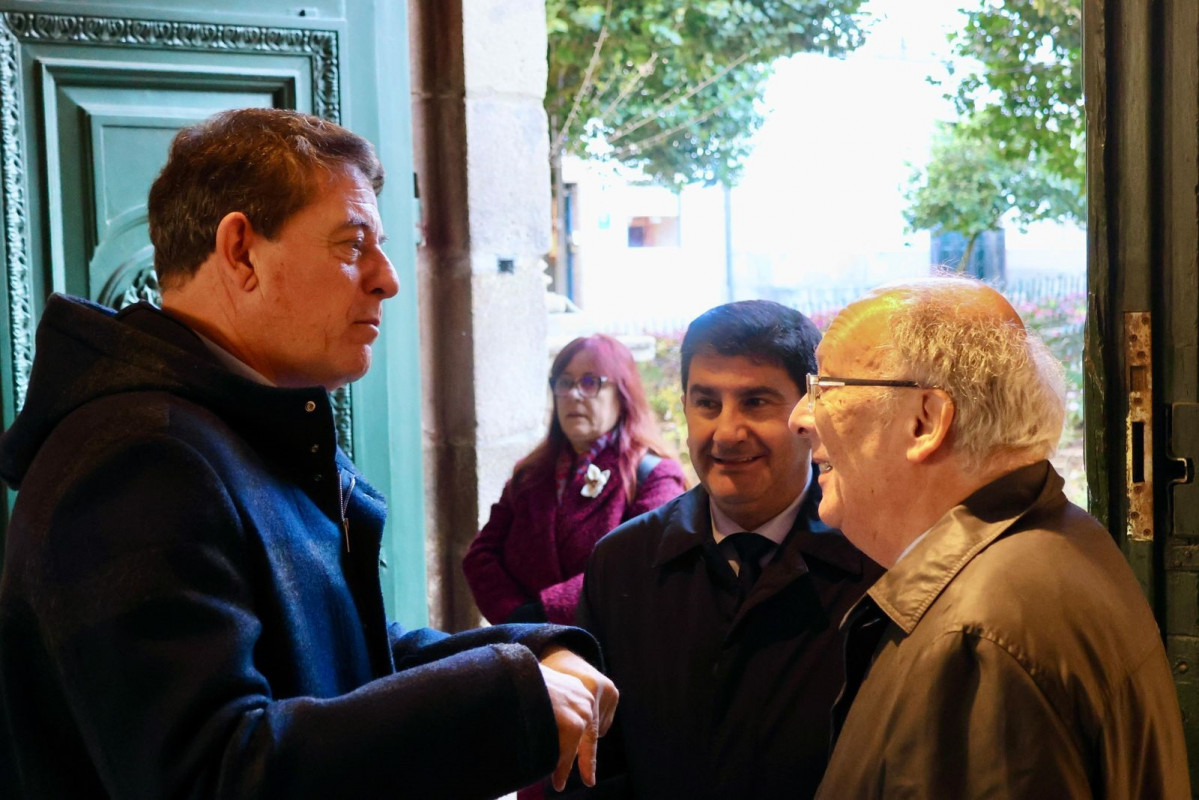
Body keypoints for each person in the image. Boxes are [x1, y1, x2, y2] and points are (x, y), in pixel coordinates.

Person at [0, 107, 617, 800]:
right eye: (353, 244)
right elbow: (212, 776)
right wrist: (508, 698)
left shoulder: (228, 431)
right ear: (241, 252)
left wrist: (532, 655)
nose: (388, 279)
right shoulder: (140, 460)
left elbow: (341, 655)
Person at [789, 276, 1190, 798]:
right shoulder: (1060, 539)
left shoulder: (973, 636)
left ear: (925, 421)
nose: (800, 418)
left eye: (825, 387)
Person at [573, 300, 883, 799]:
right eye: (707, 403)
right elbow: (592, 766)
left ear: (811, 412)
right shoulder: (622, 563)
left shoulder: (876, 559)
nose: (727, 432)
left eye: (756, 402)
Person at [463, 333, 686, 627]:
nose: (573, 394)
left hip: (613, 652)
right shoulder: (529, 474)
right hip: (530, 647)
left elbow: (642, 567)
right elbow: (480, 556)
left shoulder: (655, 477)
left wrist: (546, 614)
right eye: (565, 382)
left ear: (622, 394)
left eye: (590, 382)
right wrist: (517, 619)